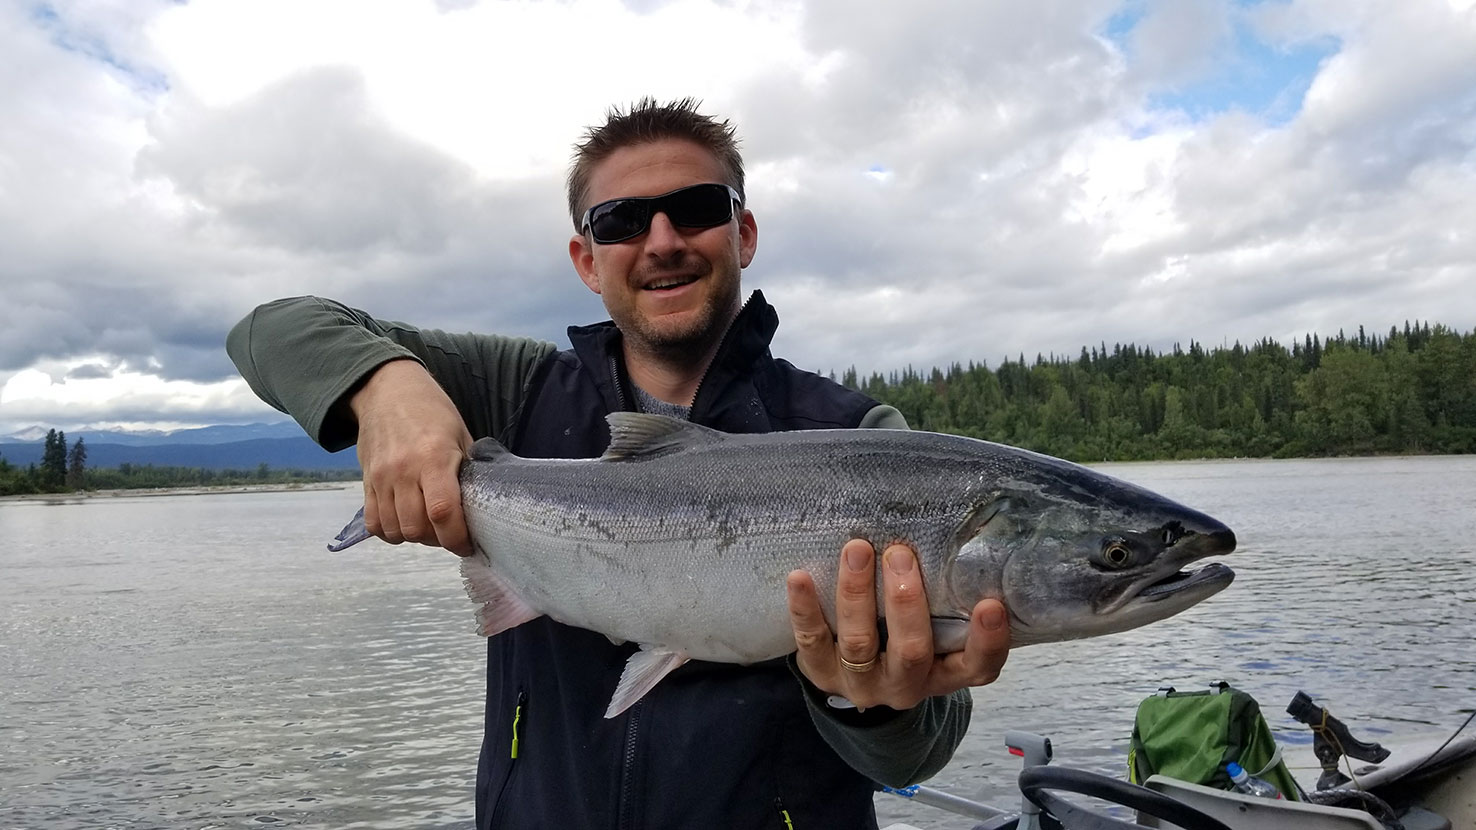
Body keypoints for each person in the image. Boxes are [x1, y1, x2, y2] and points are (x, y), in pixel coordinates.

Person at [227, 98, 1010, 828]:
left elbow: (916, 754)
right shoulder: (515, 391)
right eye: (622, 221)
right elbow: (268, 330)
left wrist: (871, 701)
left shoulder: (860, 440)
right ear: (586, 259)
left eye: (697, 209)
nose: (662, 240)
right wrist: (387, 387)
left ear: (743, 234)